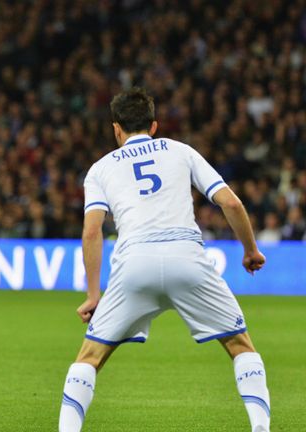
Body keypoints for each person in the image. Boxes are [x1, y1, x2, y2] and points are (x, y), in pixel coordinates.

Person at [57, 88, 270, 432]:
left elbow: (92, 232)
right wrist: (250, 250)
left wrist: (94, 294)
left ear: (116, 129)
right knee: (240, 345)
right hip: (187, 258)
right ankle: (260, 426)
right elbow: (230, 203)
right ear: (154, 125)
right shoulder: (181, 151)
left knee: (90, 357)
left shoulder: (100, 169)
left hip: (133, 263)